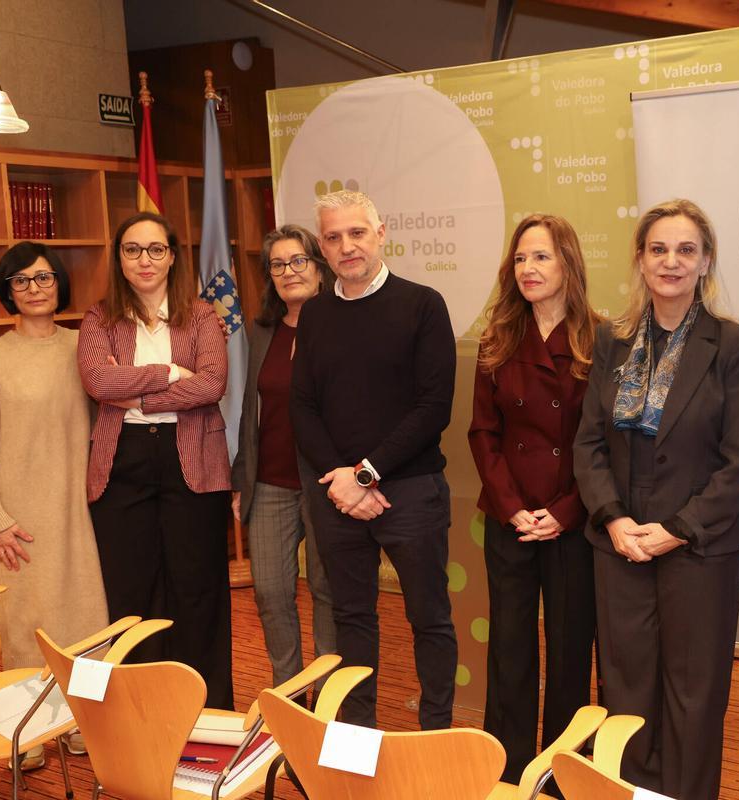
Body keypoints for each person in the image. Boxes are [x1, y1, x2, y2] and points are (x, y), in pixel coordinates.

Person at [573, 199, 739, 800]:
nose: (671, 261)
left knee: (693, 693)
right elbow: (589, 443)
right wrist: (613, 520)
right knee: (625, 688)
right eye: (658, 249)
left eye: (686, 250)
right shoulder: (612, 340)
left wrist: (677, 529)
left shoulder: (735, 344)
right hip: (620, 544)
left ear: (706, 261)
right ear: (640, 259)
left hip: (699, 547)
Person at [290, 190, 457, 729]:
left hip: (410, 490)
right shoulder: (315, 314)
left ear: (381, 234)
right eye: (333, 237)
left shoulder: (423, 304)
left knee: (429, 619)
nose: (347, 246)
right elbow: (302, 406)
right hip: (338, 494)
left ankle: (435, 738)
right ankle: (358, 741)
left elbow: (434, 407)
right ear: (322, 247)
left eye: (357, 233)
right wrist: (342, 482)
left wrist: (366, 474)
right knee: (352, 620)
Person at [77, 211, 234, 709]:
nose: (144, 260)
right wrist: (169, 371)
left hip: (193, 460)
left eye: (155, 249)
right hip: (122, 462)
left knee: (198, 589)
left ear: (172, 257)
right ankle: (141, 712)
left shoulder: (202, 315)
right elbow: (97, 381)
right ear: (119, 259)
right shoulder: (99, 318)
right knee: (131, 591)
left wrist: (136, 396)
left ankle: (208, 709)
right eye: (132, 249)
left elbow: (212, 384)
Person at [0, 242, 109, 770]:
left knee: (87, 618)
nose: (34, 289)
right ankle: (27, 729)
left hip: (83, 509)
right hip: (19, 518)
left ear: (60, 284)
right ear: (8, 291)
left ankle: (81, 722)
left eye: (44, 277)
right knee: (26, 625)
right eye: (21, 280)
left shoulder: (85, 347)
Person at [468, 214, 600, 783]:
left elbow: (604, 443)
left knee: (570, 653)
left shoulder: (601, 338)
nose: (528, 268)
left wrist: (565, 512)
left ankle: (561, 776)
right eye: (521, 258)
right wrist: (512, 507)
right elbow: (483, 433)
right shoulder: (498, 338)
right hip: (511, 520)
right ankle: (506, 771)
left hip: (574, 521)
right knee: (509, 649)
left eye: (541, 256)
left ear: (567, 263)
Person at [232, 224, 338, 690]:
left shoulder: (343, 325)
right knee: (271, 593)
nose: (289, 272)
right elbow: (248, 408)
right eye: (277, 265)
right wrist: (242, 480)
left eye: (298, 261)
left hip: (328, 484)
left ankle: (329, 697)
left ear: (320, 268)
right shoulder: (262, 330)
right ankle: (289, 696)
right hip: (269, 483)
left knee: (327, 592)